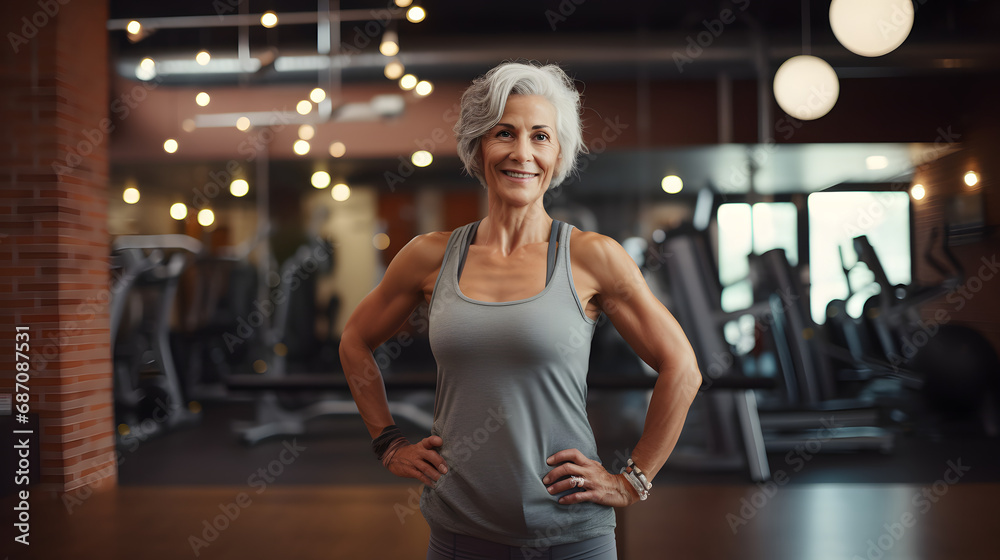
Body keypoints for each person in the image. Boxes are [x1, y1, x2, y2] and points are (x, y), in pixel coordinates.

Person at [340, 61, 702, 560]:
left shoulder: (591, 256)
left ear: (558, 153)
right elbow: (355, 341)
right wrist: (388, 442)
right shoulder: (429, 256)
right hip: (459, 533)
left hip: (571, 536)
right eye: (504, 134)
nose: (522, 153)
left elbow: (682, 368)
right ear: (478, 147)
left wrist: (633, 480)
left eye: (540, 137)